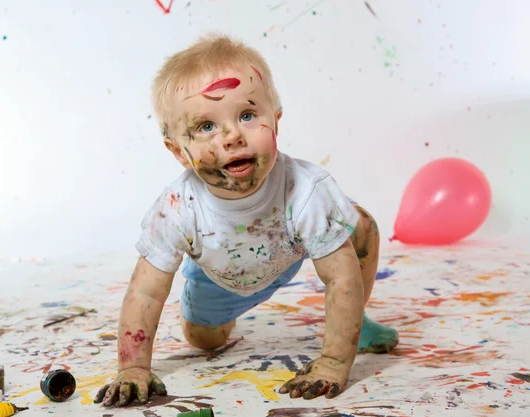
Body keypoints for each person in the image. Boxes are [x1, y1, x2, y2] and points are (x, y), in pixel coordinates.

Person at [95, 34, 399, 407]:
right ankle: (215, 319)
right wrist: (133, 368)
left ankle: (356, 321)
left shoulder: (306, 189)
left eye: (247, 115)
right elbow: (145, 292)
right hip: (218, 272)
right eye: (206, 126)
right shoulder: (177, 207)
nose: (233, 135)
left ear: (276, 120)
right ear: (177, 151)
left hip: (287, 251)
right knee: (204, 340)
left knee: (360, 224)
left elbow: (341, 276)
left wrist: (333, 363)